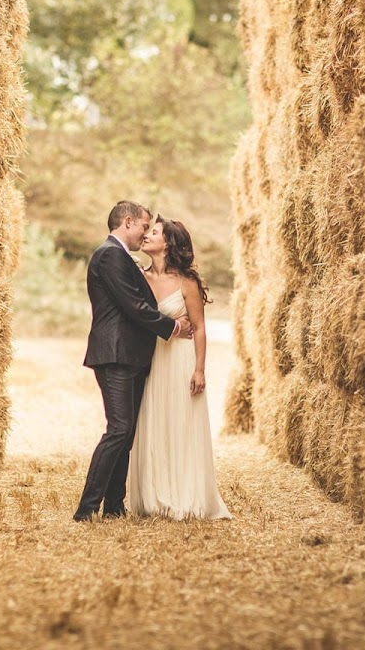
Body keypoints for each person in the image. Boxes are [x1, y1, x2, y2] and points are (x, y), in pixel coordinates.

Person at [74, 201, 193, 522]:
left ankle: (114, 505)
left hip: (130, 354)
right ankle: (86, 508)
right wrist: (173, 327)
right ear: (127, 222)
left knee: (126, 433)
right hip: (115, 353)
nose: (145, 233)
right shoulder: (110, 255)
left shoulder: (123, 258)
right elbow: (134, 306)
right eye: (143, 226)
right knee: (119, 430)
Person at [128, 215, 231, 520]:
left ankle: (185, 494)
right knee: (153, 422)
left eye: (154, 232)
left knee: (181, 422)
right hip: (152, 359)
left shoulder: (187, 282)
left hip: (181, 360)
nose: (146, 235)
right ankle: (153, 496)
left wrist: (199, 370)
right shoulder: (139, 277)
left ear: (168, 243)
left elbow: (199, 328)